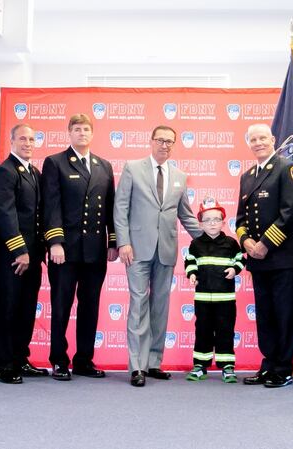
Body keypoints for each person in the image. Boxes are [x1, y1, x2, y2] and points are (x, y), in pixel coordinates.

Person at [113, 125, 202, 387]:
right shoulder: (132, 168)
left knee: (160, 307)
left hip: (166, 250)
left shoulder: (179, 176)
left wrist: (211, 239)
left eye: (170, 142)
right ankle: (137, 366)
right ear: (151, 141)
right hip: (136, 249)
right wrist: (123, 243)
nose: (165, 145)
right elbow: (120, 208)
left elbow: (185, 214)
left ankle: (153, 362)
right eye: (161, 140)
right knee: (139, 305)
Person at [41, 114, 118, 380]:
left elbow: (110, 208)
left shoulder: (104, 166)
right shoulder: (55, 163)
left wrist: (113, 241)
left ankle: (84, 359)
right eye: (77, 129)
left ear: (92, 133)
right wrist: (55, 242)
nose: (82, 133)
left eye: (86, 129)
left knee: (90, 306)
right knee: (61, 305)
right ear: (69, 133)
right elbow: (51, 205)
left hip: (95, 251)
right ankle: (59, 360)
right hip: (66, 250)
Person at [236, 123, 293, 388]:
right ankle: (269, 363)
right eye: (253, 139)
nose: (258, 143)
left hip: (282, 256)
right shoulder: (247, 176)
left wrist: (264, 243)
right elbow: (241, 218)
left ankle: (284, 367)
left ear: (273, 139)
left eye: (263, 138)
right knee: (265, 314)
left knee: (284, 312)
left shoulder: (288, 169)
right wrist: (247, 242)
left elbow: (290, 213)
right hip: (257, 258)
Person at [0, 124, 48, 384]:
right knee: (8, 308)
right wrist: (19, 250)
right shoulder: (4, 171)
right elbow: (5, 213)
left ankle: (20, 358)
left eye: (31, 139)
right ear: (11, 141)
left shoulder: (34, 172)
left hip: (33, 254)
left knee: (26, 308)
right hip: (13, 255)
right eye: (22, 138)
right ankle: (4, 364)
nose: (27, 143)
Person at [183, 198, 244, 383]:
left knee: (225, 330)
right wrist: (192, 273)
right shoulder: (195, 244)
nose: (212, 223)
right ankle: (200, 365)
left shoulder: (231, 244)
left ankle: (227, 366)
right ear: (200, 223)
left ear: (224, 222)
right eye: (208, 219)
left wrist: (235, 269)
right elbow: (189, 261)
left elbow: (241, 259)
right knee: (202, 330)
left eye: (216, 219)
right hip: (202, 299)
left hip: (225, 299)